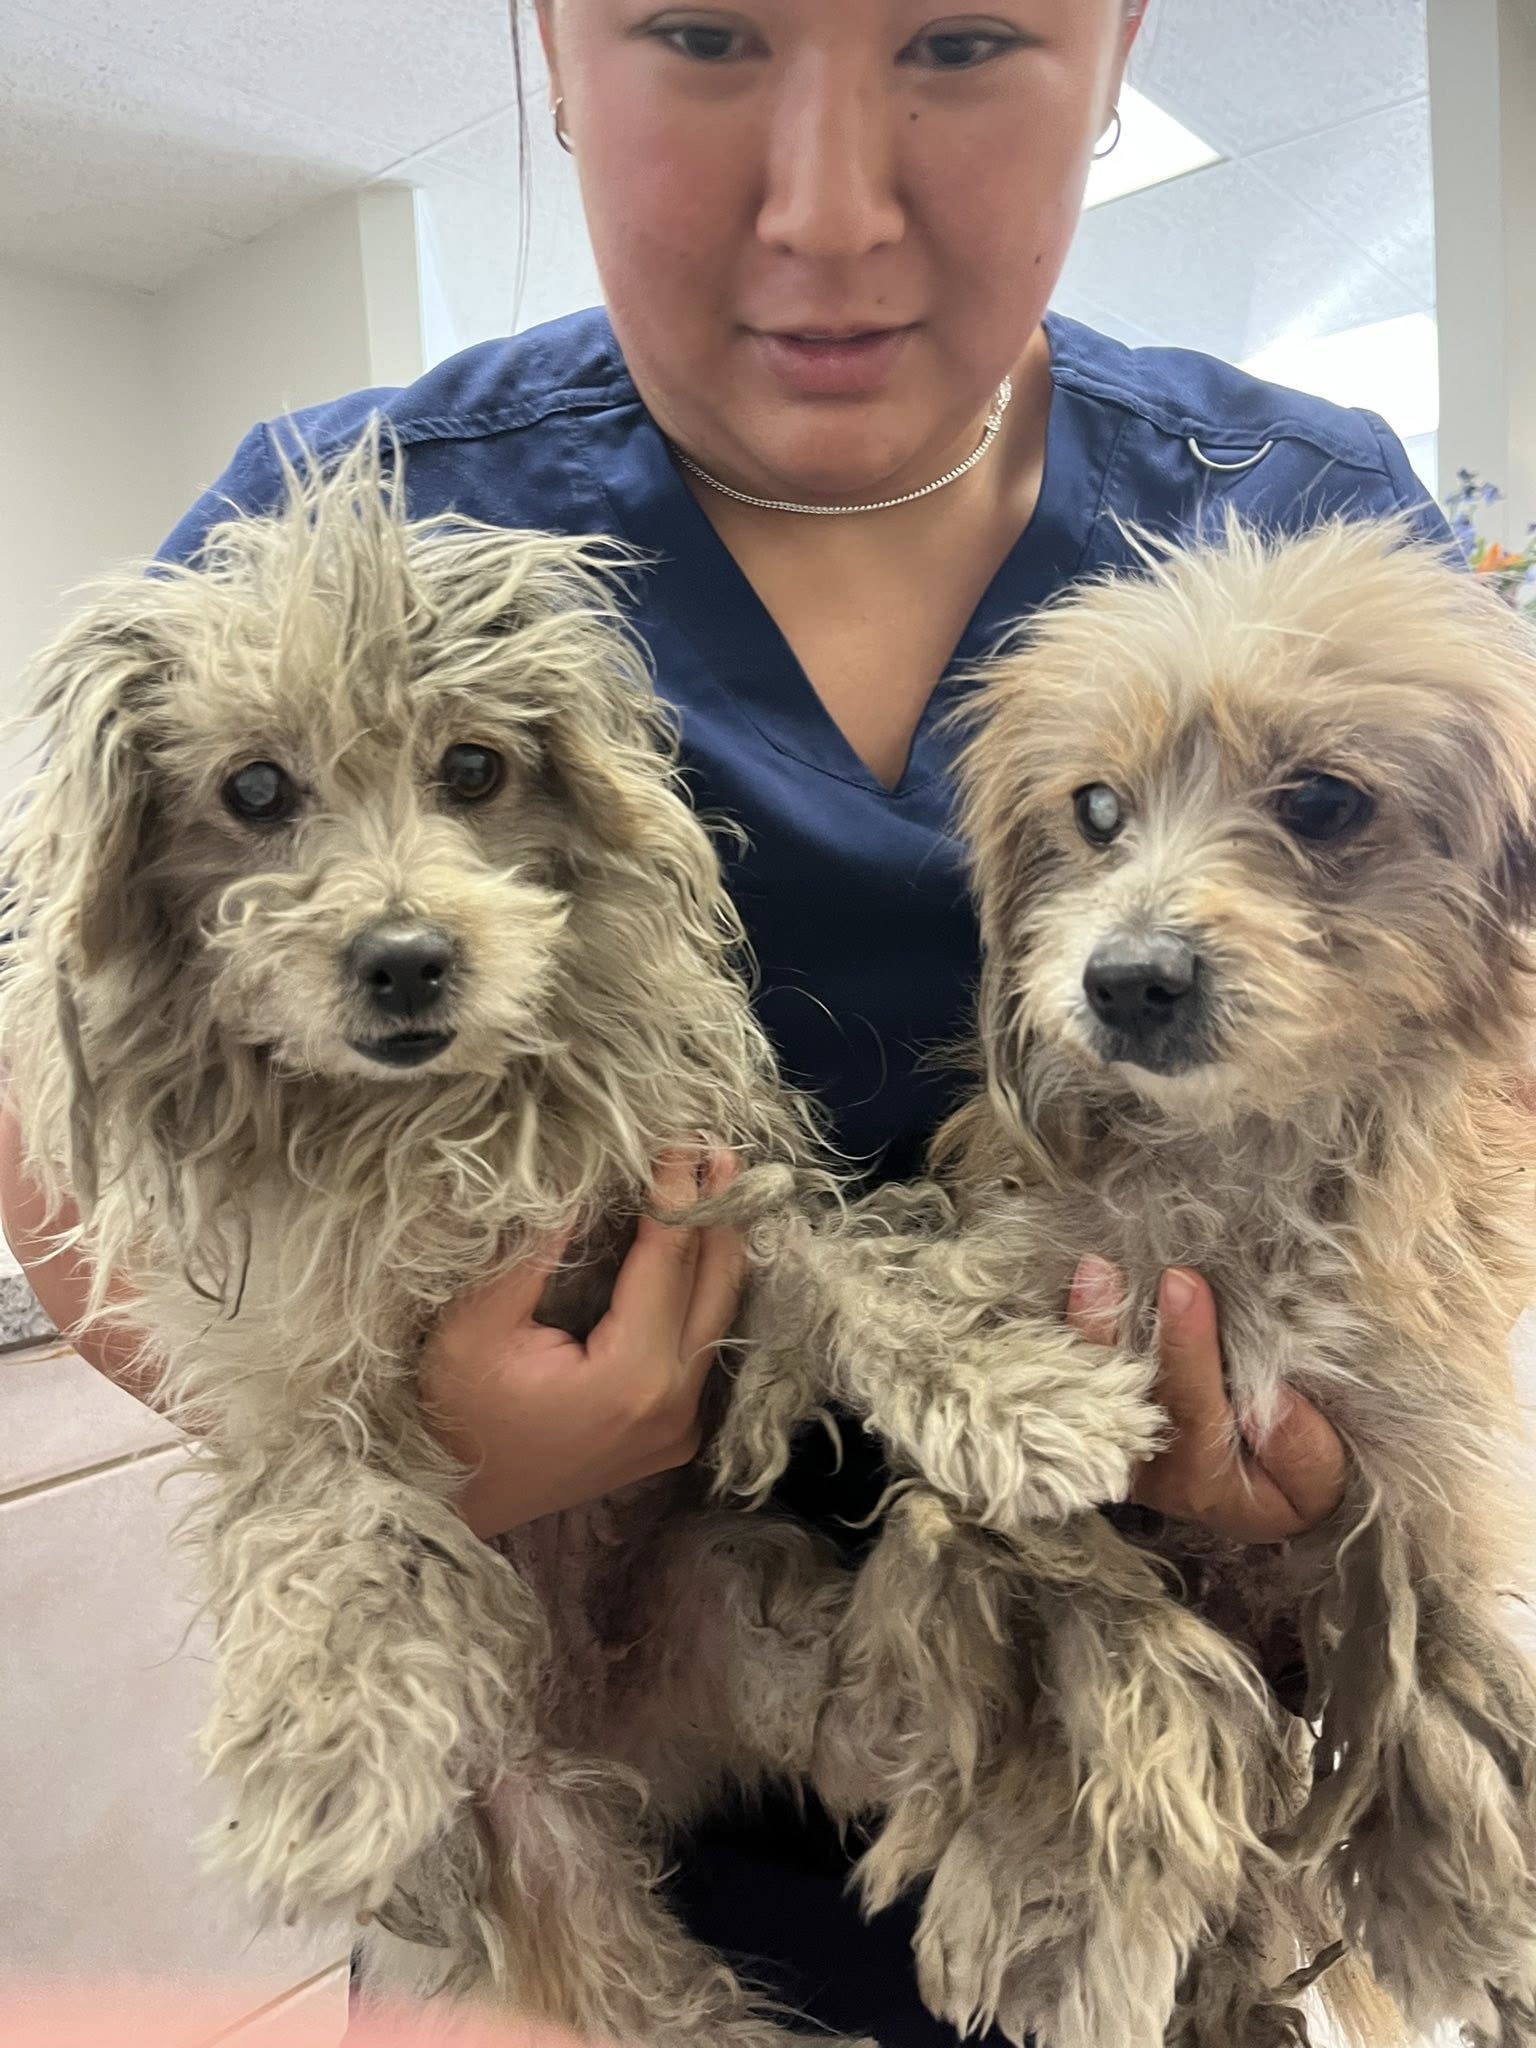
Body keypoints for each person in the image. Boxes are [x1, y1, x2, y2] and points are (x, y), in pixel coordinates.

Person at [1, 0, 1445, 2039]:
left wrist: (1330, 1445)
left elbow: (1487, 1048)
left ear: (1119, 34)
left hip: (1153, 1752)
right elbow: (75, 1115)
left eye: (959, 42)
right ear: (552, 46)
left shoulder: (1303, 509)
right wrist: (418, 1454)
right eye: (699, 33)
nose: (830, 212)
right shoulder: (347, 517)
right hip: (568, 1785)